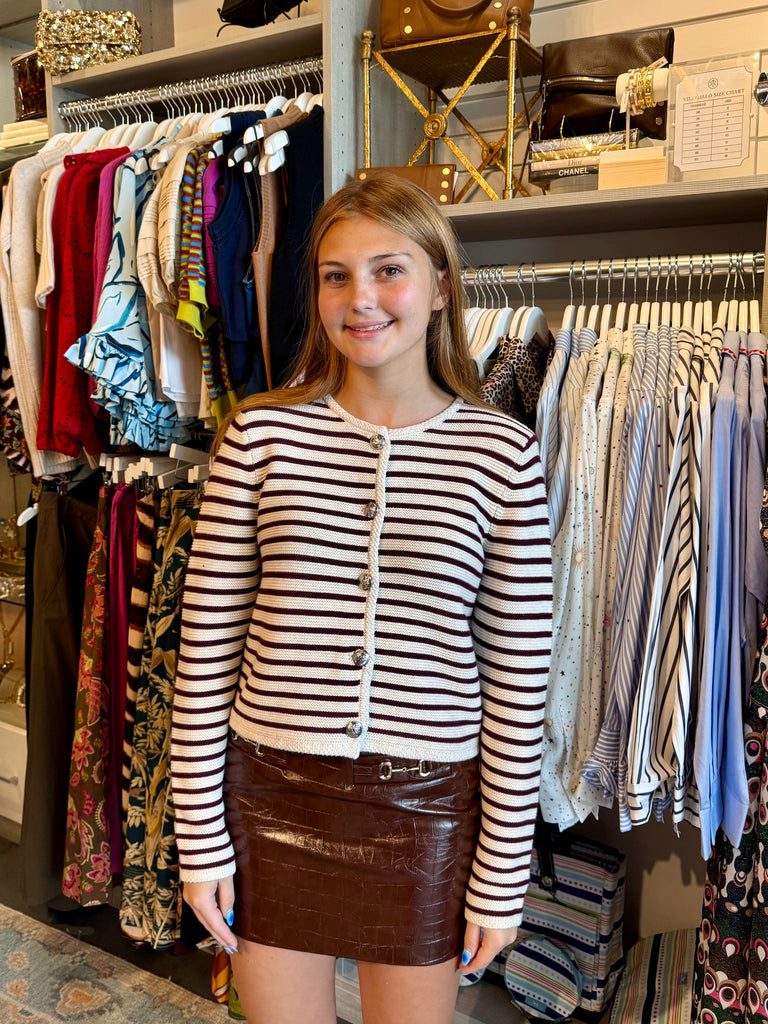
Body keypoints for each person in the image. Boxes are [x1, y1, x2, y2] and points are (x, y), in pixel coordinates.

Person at [170, 173, 553, 1024]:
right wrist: (199, 838)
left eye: (389, 270)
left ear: (441, 286)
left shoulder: (502, 454)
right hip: (271, 790)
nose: (361, 299)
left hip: (426, 806)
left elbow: (519, 680)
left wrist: (500, 874)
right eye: (336, 275)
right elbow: (204, 658)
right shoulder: (260, 437)